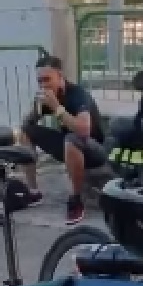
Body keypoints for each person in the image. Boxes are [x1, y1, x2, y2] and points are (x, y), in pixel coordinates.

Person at [17, 55, 107, 225]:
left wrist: (57, 108)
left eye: (47, 79)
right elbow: (26, 124)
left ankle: (76, 199)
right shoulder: (49, 96)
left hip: (95, 150)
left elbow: (83, 130)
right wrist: (35, 111)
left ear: (60, 76)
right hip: (69, 147)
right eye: (39, 81)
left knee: (72, 138)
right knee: (26, 132)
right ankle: (34, 191)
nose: (43, 85)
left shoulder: (78, 95)